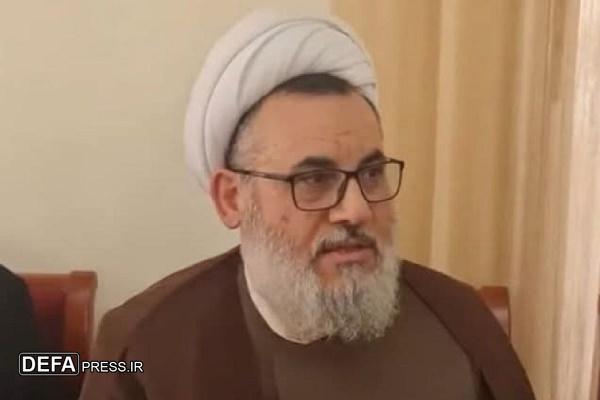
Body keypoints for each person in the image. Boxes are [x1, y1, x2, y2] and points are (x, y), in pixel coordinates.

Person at [80, 10, 535, 400]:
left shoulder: (462, 324)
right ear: (232, 198)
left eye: (371, 174)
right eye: (314, 180)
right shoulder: (143, 349)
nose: (356, 209)